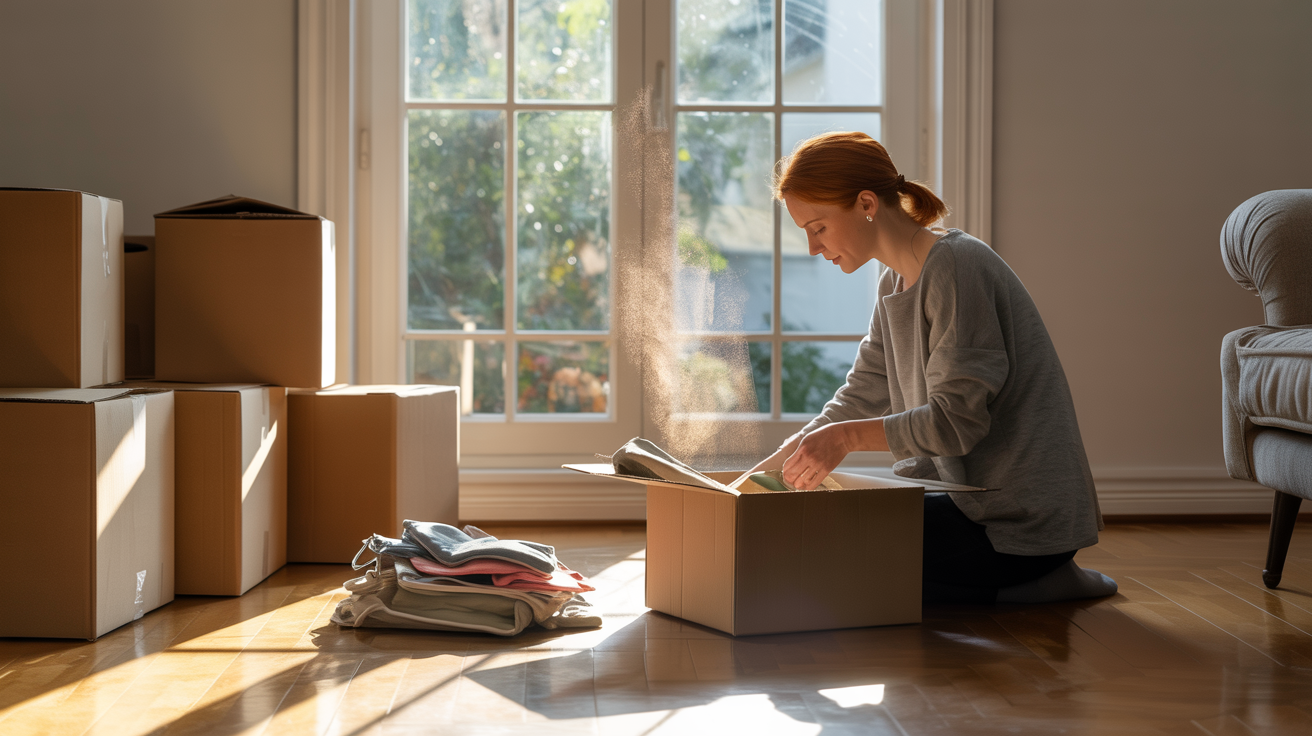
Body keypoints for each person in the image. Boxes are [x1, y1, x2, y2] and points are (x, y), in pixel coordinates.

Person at [763, 131, 1116, 604]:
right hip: (962, 500)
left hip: (1013, 522)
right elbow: (860, 395)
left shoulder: (956, 267)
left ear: (866, 204)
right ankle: (1008, 587)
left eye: (818, 227)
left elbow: (955, 424)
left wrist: (844, 439)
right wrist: (756, 478)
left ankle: (1037, 581)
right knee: (805, 541)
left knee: (827, 559)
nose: (812, 247)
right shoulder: (894, 283)